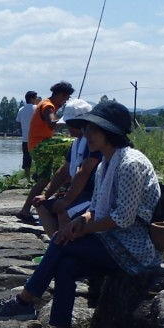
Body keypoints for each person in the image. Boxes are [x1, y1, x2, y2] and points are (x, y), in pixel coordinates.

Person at [0, 100, 160, 328]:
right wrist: (80, 222)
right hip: (112, 241)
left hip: (133, 247)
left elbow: (124, 218)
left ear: (109, 132)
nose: (86, 134)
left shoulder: (131, 164)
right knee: (65, 264)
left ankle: (25, 300)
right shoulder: (105, 165)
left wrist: (81, 229)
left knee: (61, 244)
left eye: (93, 129)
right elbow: (96, 209)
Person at [33, 99, 100, 237]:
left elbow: (84, 172)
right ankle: (55, 244)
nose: (67, 128)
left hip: (93, 196)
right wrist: (46, 195)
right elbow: (64, 171)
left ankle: (65, 247)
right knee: (43, 206)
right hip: (79, 194)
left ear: (80, 124)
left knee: (63, 212)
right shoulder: (76, 143)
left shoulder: (94, 142)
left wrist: (66, 201)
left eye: (69, 124)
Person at [18, 82, 75, 221]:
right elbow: (51, 123)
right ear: (60, 95)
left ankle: (25, 210)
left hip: (36, 146)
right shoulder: (48, 106)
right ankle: (70, 175)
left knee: (44, 180)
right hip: (40, 145)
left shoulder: (48, 105)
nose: (65, 101)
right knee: (73, 143)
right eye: (65, 98)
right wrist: (73, 121)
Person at [16, 91, 39, 173]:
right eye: (36, 98)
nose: (37, 99)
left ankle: (27, 177)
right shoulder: (37, 108)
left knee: (26, 158)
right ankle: (38, 177)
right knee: (38, 159)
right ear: (32, 98)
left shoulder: (21, 109)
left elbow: (18, 122)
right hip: (36, 139)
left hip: (25, 139)